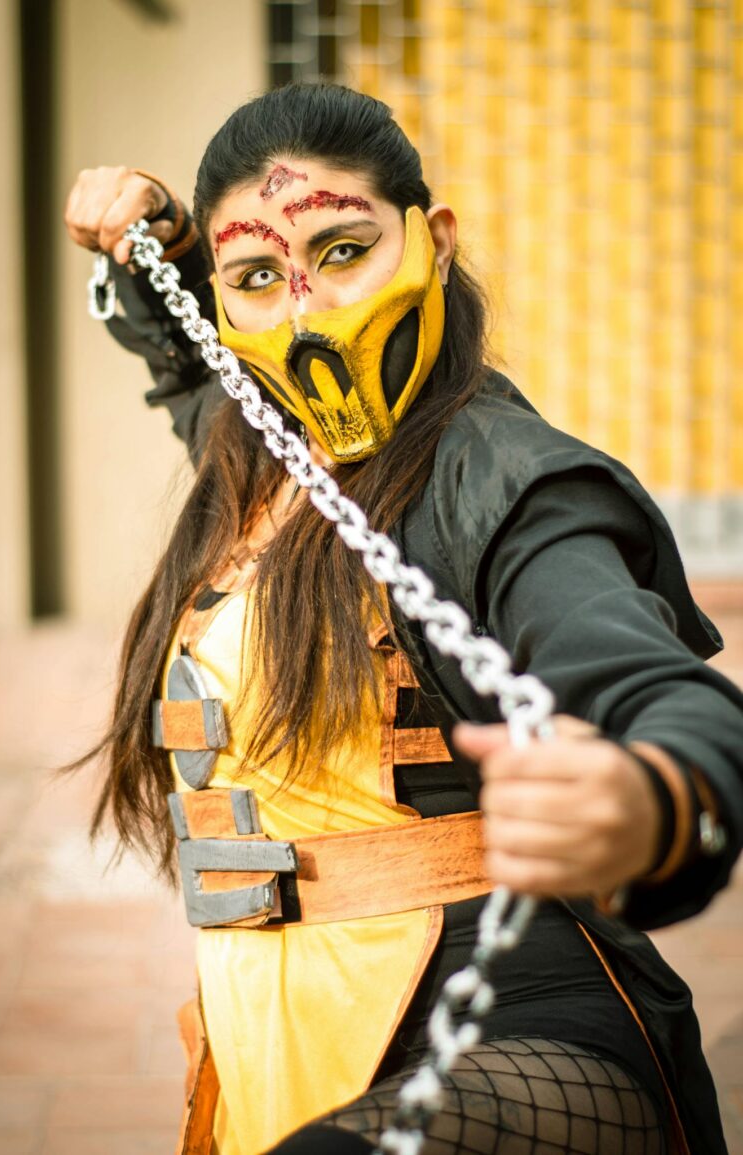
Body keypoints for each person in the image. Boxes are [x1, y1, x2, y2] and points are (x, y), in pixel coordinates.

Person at [65, 84, 743, 1155]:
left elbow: (664, 697)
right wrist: (158, 230)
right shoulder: (257, 450)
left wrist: (651, 798)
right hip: (274, 1047)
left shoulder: (506, 482)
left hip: (523, 1044)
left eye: (342, 253)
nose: (305, 313)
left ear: (431, 240)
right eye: (256, 280)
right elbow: (181, 352)